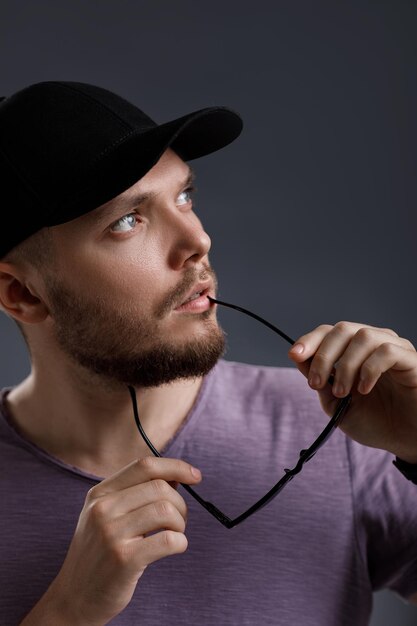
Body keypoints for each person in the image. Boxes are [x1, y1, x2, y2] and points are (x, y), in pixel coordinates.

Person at [0, 81, 416, 626]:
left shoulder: (348, 423)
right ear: (24, 294)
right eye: (128, 220)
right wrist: (68, 612)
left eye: (184, 196)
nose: (197, 239)